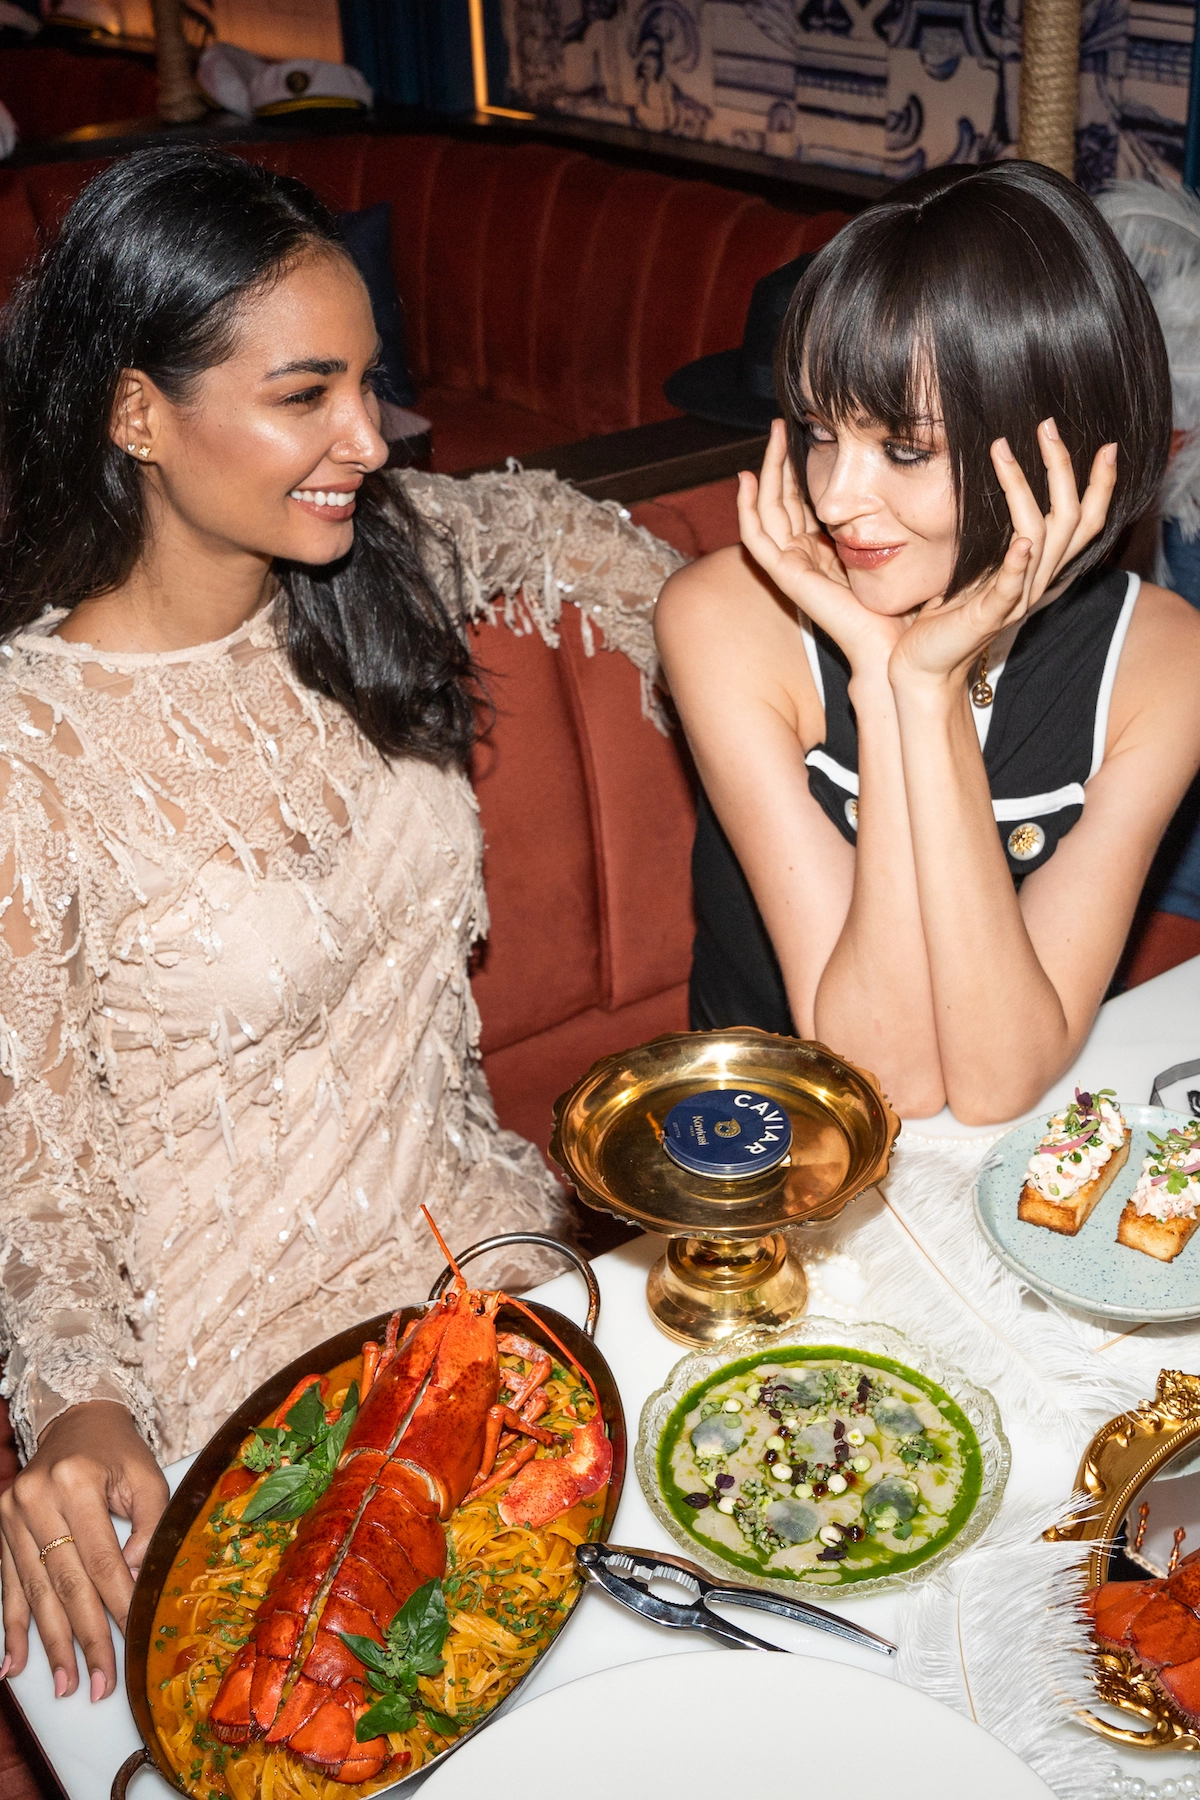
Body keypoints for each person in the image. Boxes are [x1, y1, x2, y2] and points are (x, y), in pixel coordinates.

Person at [0, 147, 676, 1702]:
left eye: (372, 384)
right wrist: (85, 1410)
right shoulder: (31, 750)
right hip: (247, 1396)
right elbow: (38, 1187)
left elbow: (548, 528)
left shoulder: (377, 562)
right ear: (135, 414)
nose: (367, 440)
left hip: (494, 1285)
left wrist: (765, 688)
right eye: (306, 395)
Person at [655, 161, 1200, 1127]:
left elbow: (999, 1080)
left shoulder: (1168, 668)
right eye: (820, 432)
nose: (834, 500)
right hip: (755, 1159)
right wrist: (883, 672)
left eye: (905, 451)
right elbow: (886, 1074)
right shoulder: (720, 619)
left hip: (1003, 1155)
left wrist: (927, 691)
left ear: (1057, 447)